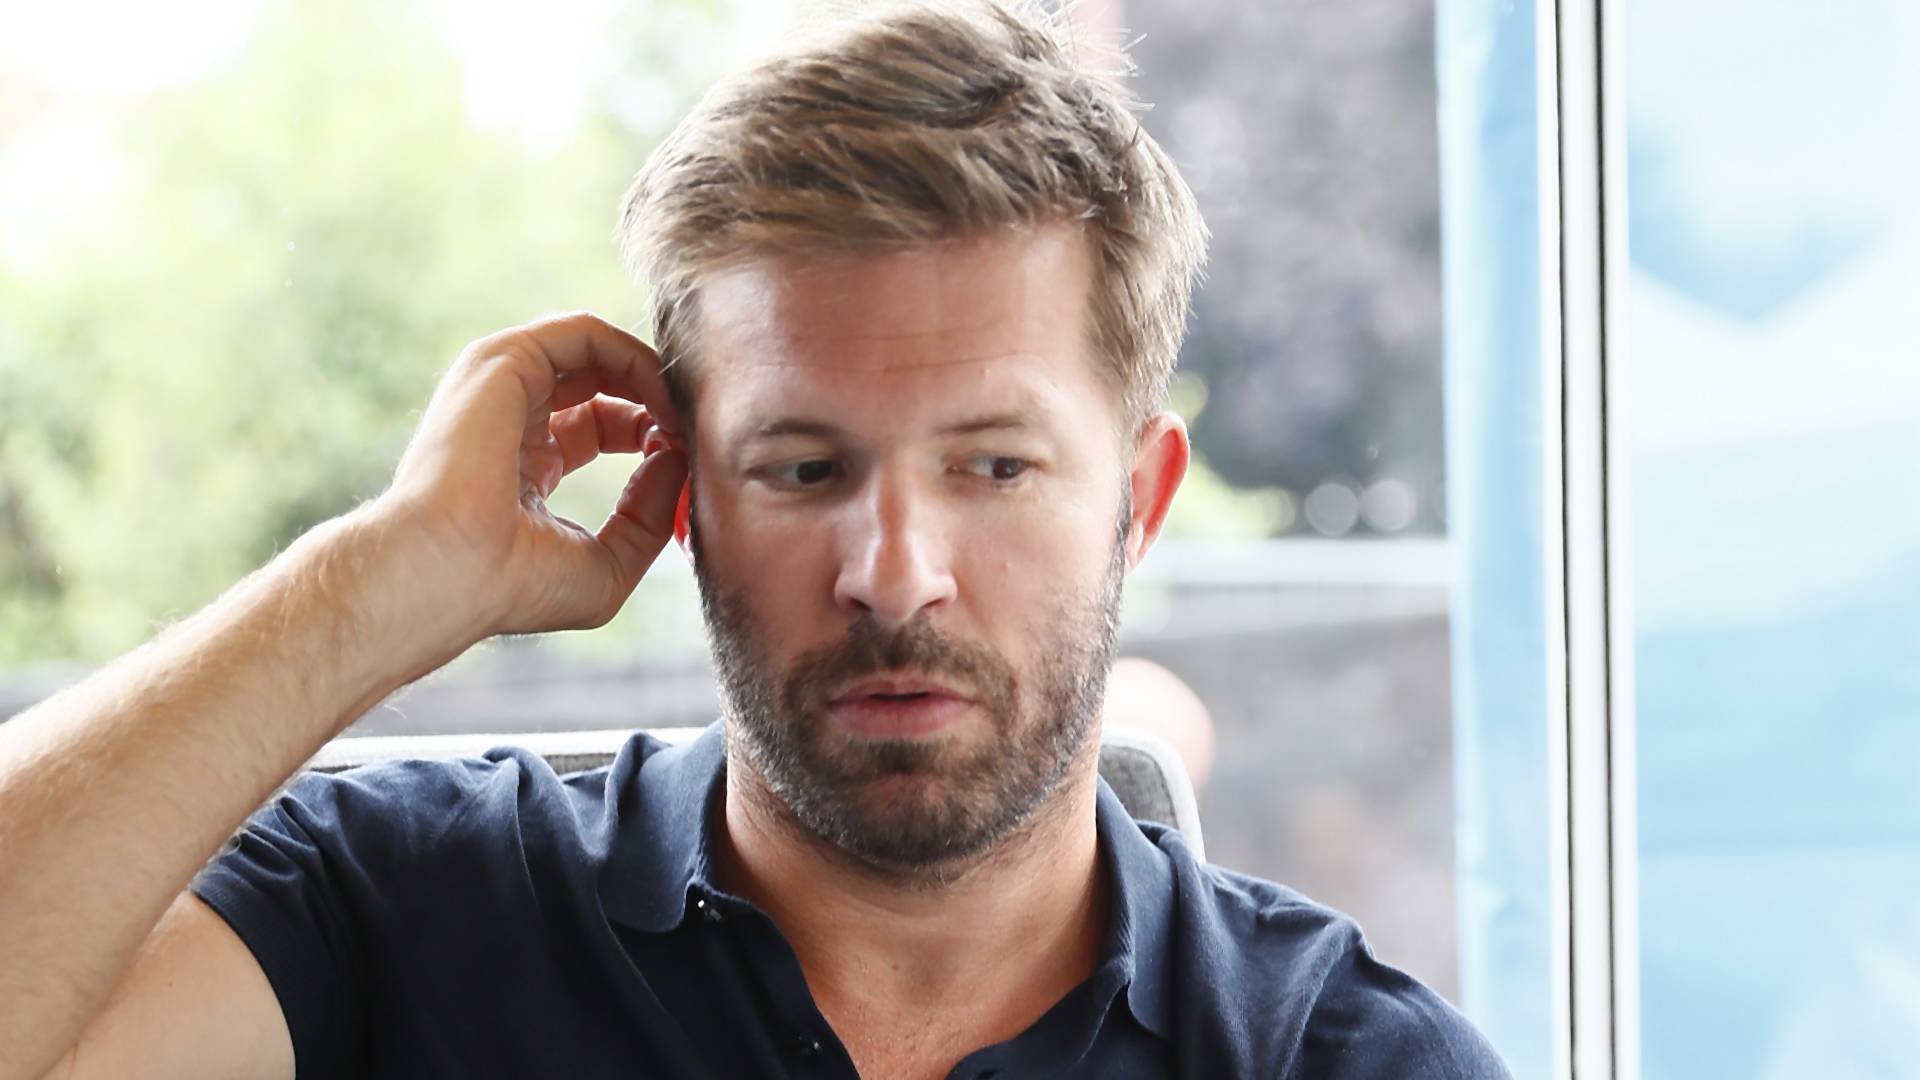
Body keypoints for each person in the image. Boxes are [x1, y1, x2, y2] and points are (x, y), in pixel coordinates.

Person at [0, 2, 1512, 1077]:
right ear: (684, 497)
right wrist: (373, 584)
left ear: (1139, 501)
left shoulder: (1344, 1055)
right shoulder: (404, 911)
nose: (894, 571)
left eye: (994, 465)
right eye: (801, 467)